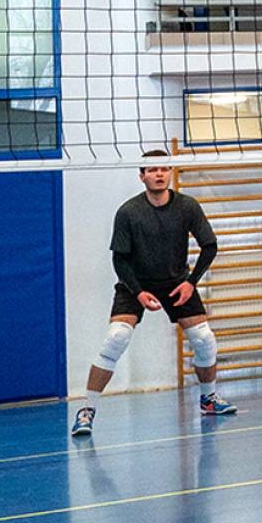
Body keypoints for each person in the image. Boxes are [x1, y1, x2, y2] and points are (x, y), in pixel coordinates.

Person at [73, 151, 233, 438]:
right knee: (116, 338)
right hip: (135, 283)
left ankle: (208, 399)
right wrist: (138, 292)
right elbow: (120, 259)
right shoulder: (128, 212)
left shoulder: (187, 206)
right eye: (152, 170)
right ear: (142, 176)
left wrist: (191, 283)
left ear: (169, 173)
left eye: (164, 169)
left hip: (176, 282)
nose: (159, 174)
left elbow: (209, 246)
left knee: (205, 340)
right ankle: (86, 411)